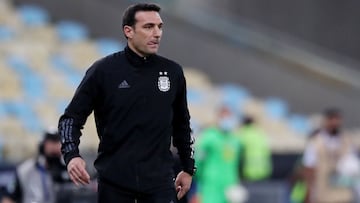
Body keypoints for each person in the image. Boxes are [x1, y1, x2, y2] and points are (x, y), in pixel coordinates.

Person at [58, 3, 195, 203]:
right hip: (115, 185)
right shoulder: (103, 71)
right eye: (148, 27)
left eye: (160, 26)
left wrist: (188, 168)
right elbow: (70, 118)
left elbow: (183, 125)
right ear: (128, 31)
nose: (157, 33)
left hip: (160, 184)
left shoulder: (173, 72)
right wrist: (72, 155)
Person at [302, 108, 359, 203]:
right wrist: (308, 192)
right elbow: (309, 168)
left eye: (337, 119)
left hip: (344, 195)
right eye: (331, 119)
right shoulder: (316, 142)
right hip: (323, 194)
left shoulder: (347, 140)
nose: (334, 123)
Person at [195, 105, 244, 203]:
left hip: (230, 182)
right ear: (218, 118)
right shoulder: (209, 137)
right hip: (211, 183)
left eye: (229, 117)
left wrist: (236, 181)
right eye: (224, 117)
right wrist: (198, 175)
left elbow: (237, 163)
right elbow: (198, 159)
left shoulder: (235, 140)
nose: (227, 120)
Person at [2, 129, 68, 203]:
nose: (54, 146)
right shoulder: (25, 170)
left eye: (57, 141)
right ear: (42, 145)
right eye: (51, 141)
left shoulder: (68, 169)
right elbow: (8, 198)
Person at [236, 116, 272, 181]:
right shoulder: (260, 133)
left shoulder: (243, 134)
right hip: (263, 170)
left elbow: (237, 151)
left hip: (249, 172)